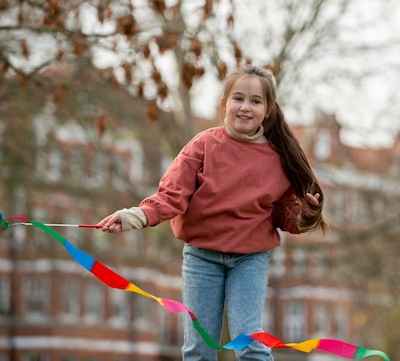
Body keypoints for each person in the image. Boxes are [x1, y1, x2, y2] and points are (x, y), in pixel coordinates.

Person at [97, 64, 328, 361]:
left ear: (268, 110)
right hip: (202, 258)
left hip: (250, 261)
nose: (246, 108)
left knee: (250, 344)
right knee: (199, 348)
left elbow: (283, 214)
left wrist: (305, 216)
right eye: (239, 99)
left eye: (256, 102)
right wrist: (135, 216)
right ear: (224, 104)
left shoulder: (278, 159)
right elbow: (172, 195)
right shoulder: (204, 145)